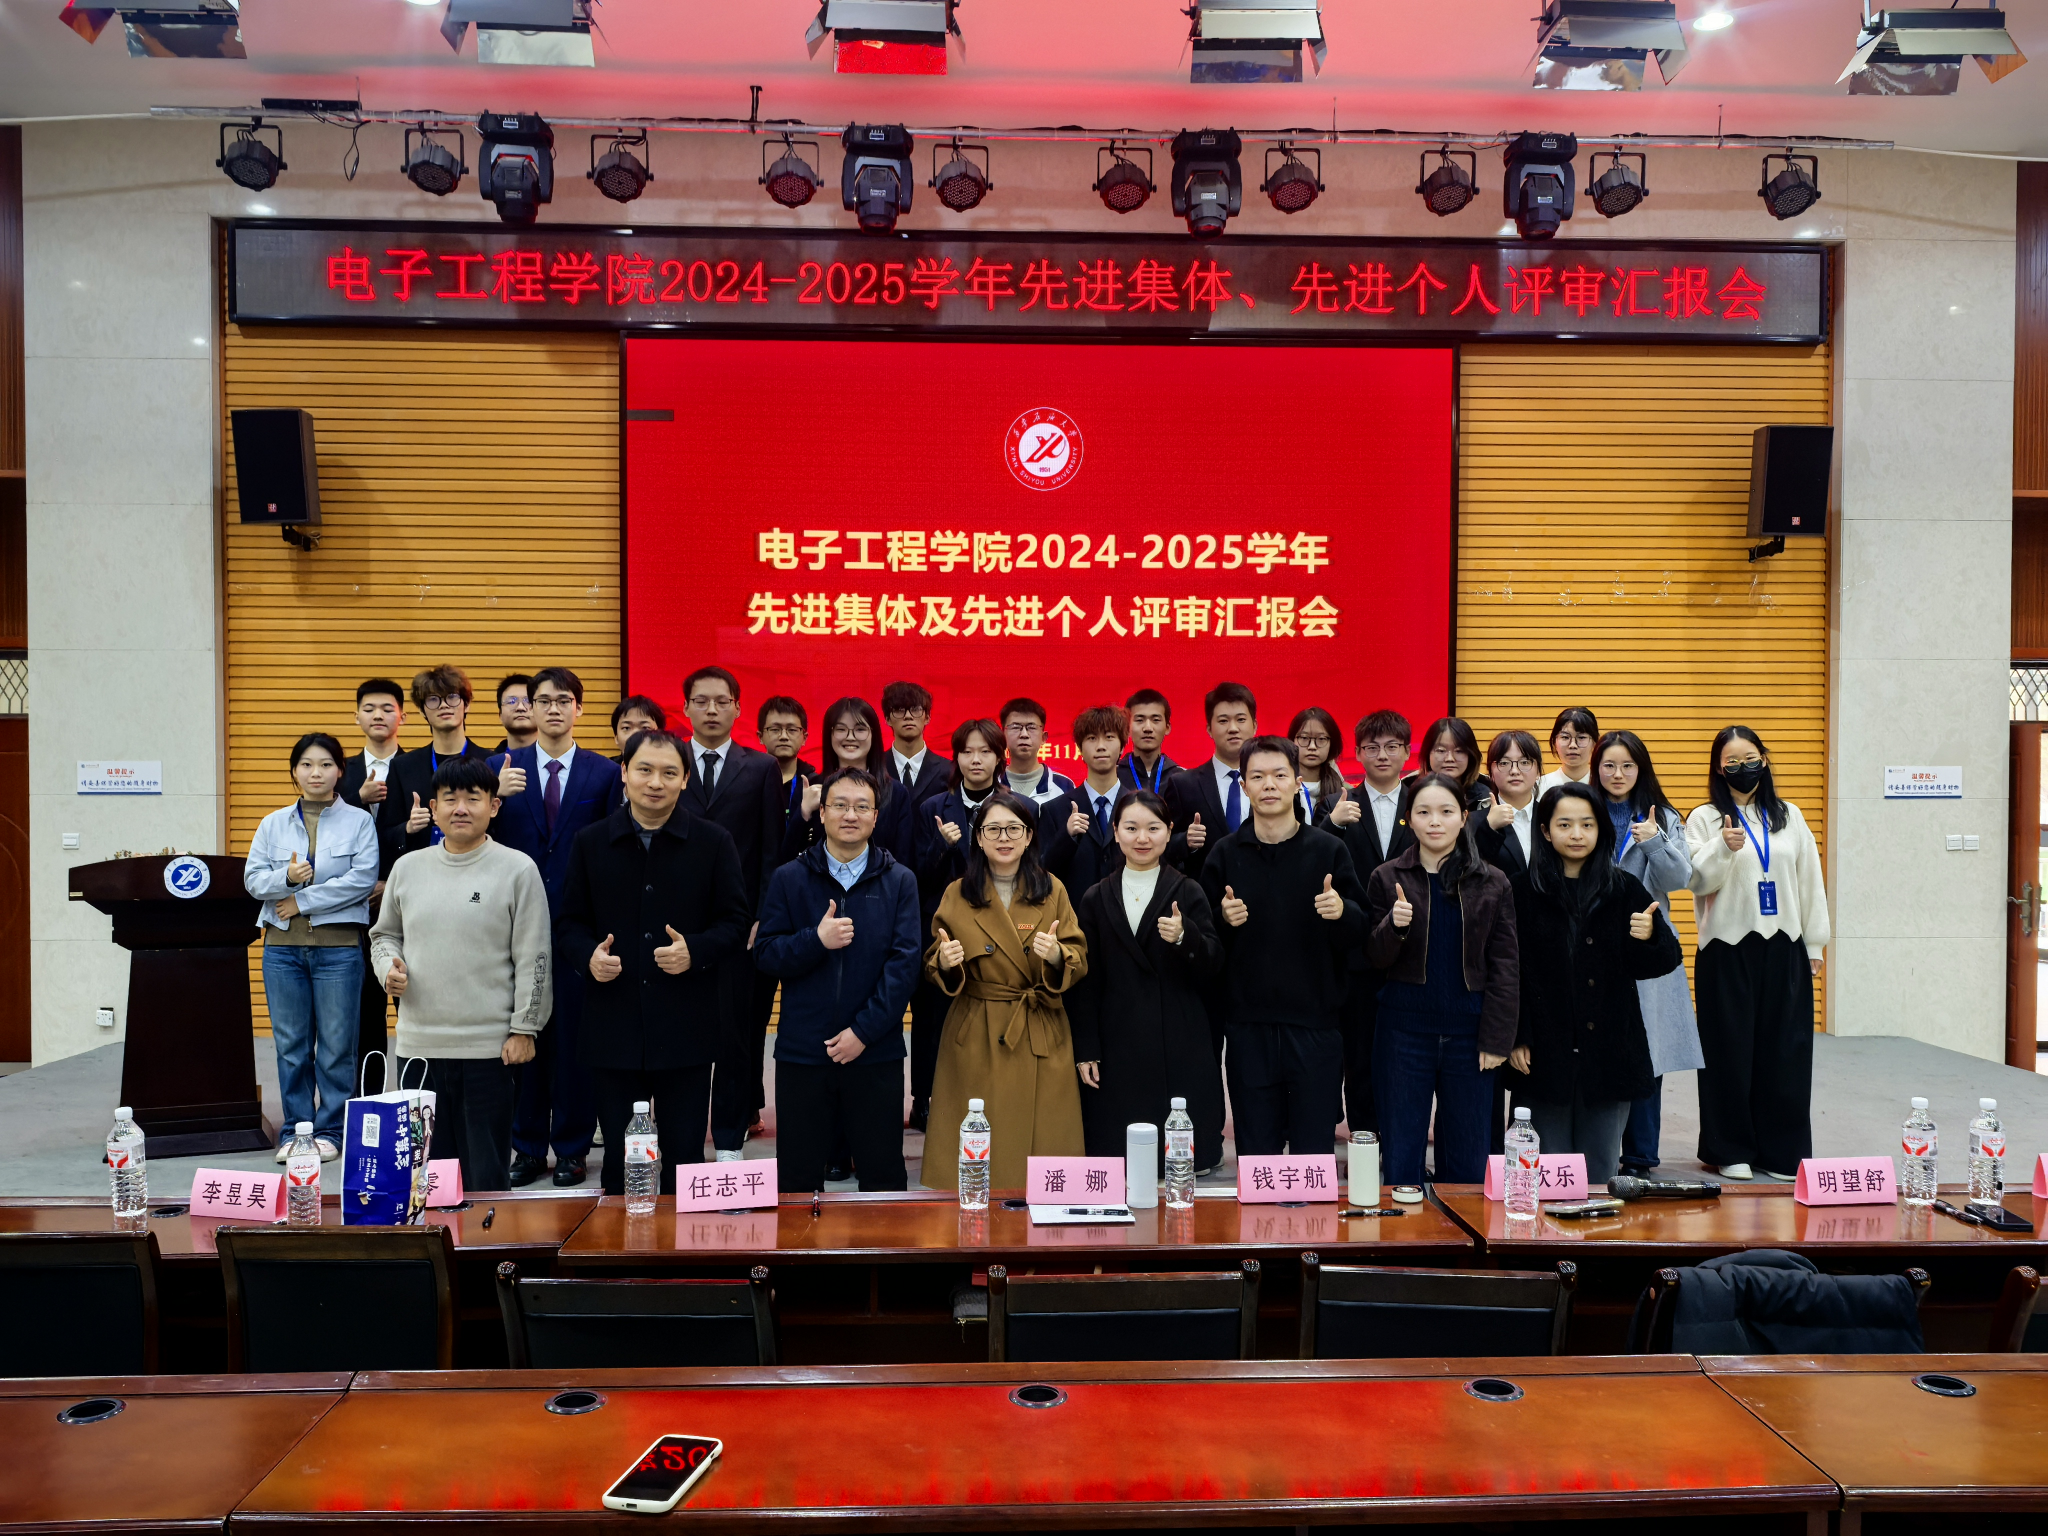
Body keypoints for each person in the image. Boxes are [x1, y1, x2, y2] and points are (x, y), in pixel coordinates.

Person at [559, 730, 751, 1190]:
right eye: (644, 770)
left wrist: (695, 951)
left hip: (686, 1025)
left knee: (685, 1155)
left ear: (685, 779)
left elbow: (736, 921)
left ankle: (682, 1238)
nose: (655, 782)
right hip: (614, 1023)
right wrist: (588, 957)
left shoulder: (712, 841)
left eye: (669, 773)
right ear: (624, 773)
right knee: (622, 1163)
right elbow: (568, 923)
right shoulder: (591, 842)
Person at [369, 757, 552, 1194]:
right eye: (450, 799)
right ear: (433, 809)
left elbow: (535, 956)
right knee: (423, 1177)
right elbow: (384, 936)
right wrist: (387, 968)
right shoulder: (408, 868)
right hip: (418, 1048)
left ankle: (489, 1242)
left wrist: (525, 1028)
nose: (461, 808)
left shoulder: (517, 869)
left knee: (485, 1176)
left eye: (474, 798)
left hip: (489, 1050)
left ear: (494, 806)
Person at [753, 767, 921, 1193]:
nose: (851, 815)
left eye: (862, 807)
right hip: (804, 1052)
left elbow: (904, 966)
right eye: (841, 805)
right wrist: (816, 940)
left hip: (875, 1052)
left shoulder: (900, 880)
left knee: (883, 1177)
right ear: (822, 812)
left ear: (876, 817)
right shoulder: (789, 877)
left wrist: (862, 1032)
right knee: (797, 1180)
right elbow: (766, 953)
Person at [1199, 735, 1366, 1156]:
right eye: (1257, 777)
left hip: (1316, 1027)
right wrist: (1222, 919)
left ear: (1297, 783)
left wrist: (1341, 911)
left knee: (1314, 1154)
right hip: (1247, 1029)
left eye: (1279, 775)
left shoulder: (1329, 850)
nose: (1269, 785)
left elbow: (1362, 931)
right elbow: (1204, 945)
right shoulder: (1224, 854)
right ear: (1244, 786)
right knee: (1256, 1154)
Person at [1511, 784, 1684, 1184]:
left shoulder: (1624, 888)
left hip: (1609, 1054)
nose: (1577, 834)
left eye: (1587, 824)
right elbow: (1508, 971)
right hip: (1542, 1054)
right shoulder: (1521, 890)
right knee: (1541, 1172)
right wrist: (1517, 1035)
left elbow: (1663, 961)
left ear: (1601, 830)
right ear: (1545, 831)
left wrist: (1650, 937)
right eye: (1565, 824)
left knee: (1599, 1174)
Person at [490, 666, 622, 1189]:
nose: (551, 708)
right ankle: (525, 1147)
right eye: (541, 700)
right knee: (522, 1038)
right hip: (511, 926)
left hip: (577, 927)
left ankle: (571, 1148)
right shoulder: (500, 768)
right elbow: (471, 834)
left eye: (563, 700)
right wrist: (494, 795)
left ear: (579, 709)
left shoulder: (604, 773)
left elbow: (612, 847)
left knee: (572, 1044)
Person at [1685, 726, 1829, 1182]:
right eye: (1731, 761)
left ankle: (1782, 1150)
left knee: (1786, 1051)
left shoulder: (1789, 815)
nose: (1742, 768)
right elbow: (1696, 880)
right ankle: (1729, 1148)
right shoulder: (1705, 818)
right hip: (1726, 950)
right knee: (1728, 1051)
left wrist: (1814, 942)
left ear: (1764, 760)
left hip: (1784, 945)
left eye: (1749, 758)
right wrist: (1722, 849)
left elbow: (1809, 880)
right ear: (1718, 769)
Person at [925, 789, 1088, 1190]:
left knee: (1045, 1153)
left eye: (1014, 829)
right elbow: (934, 958)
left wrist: (1057, 956)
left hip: (1038, 1026)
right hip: (976, 1031)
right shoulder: (957, 892)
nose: (1004, 838)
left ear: (1029, 836)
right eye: (992, 829)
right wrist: (944, 963)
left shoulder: (1052, 889)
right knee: (978, 1155)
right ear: (978, 837)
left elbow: (1079, 956)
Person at [1364, 773, 1519, 1185]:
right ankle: (1407, 1226)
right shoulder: (1386, 877)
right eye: (1424, 812)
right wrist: (1394, 927)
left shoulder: (1492, 881)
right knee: (1401, 1158)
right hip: (1402, 1034)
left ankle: (1460, 1227)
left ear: (1464, 817)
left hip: (1471, 1038)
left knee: (1468, 1161)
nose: (1435, 821)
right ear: (1409, 819)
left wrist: (1497, 1039)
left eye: (1446, 811)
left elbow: (1505, 966)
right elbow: (1375, 959)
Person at [1070, 789, 1225, 1167]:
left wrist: (1185, 936)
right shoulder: (1095, 897)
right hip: (1117, 1037)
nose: (1142, 838)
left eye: (1153, 828)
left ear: (1169, 831)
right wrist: (1086, 1048)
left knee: (1178, 1163)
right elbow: (1086, 981)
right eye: (1131, 828)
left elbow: (1214, 963)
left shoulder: (1187, 890)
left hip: (1178, 1036)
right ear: (1115, 832)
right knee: (1119, 1160)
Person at [245, 732, 379, 1161]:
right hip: (282, 950)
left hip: (339, 949)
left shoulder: (359, 821)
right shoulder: (272, 823)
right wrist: (286, 878)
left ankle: (332, 1131)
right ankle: (296, 1131)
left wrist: (301, 900)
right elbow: (253, 881)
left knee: (337, 1047)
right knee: (291, 1047)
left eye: (325, 764)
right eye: (306, 764)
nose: (315, 773)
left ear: (340, 771)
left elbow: (361, 881)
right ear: (294, 772)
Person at [676, 665, 786, 1162]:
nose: (712, 710)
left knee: (737, 1035)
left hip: (740, 925)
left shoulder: (760, 768)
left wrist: (763, 914)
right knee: (682, 1033)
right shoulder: (669, 761)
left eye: (722, 701)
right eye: (701, 701)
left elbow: (771, 849)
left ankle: (728, 1138)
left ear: (738, 709)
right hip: (677, 923)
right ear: (686, 708)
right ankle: (682, 1137)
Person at [1595, 730, 1702, 1176]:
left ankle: (1640, 1154)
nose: (1618, 774)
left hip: (1645, 942)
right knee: (1600, 1043)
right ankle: (1598, 1151)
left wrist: (1654, 840)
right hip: (1595, 945)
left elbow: (1680, 879)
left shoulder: (1664, 815)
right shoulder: (1583, 809)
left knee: (1647, 1049)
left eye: (1627, 766)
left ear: (1641, 769)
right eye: (1609, 765)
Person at [911, 717, 1005, 1132]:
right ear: (956, 757)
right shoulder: (932, 807)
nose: (975, 760)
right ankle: (924, 1100)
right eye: (967, 751)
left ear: (999, 757)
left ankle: (987, 1097)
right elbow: (917, 876)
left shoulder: (1015, 806)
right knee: (933, 1017)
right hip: (944, 929)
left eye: (985, 751)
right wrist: (941, 845)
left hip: (997, 929)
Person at [1325, 709, 1416, 1137]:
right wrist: (1332, 825)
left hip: (1412, 947)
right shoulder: (1338, 804)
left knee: (1406, 1055)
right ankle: (1365, 1142)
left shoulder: (1423, 802)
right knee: (1359, 1053)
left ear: (1407, 751)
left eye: (1392, 746)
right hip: (1356, 950)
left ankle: (1402, 1141)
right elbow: (1317, 859)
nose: (1382, 755)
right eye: (1372, 747)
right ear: (1358, 753)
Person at [338, 677, 405, 1087]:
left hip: (405, 904)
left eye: (387, 708)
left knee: (411, 1008)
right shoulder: (339, 772)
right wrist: (356, 800)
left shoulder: (417, 767)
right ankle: (371, 1101)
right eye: (369, 709)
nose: (378, 715)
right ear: (357, 716)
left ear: (403, 716)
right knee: (365, 1013)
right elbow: (321, 830)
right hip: (353, 908)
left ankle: (419, 1102)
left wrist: (389, 884)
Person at [382, 664, 489, 868]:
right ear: (422, 710)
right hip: (421, 871)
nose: (444, 705)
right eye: (433, 699)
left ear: (466, 704)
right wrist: (407, 828)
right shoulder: (402, 766)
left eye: (452, 697)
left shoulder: (490, 762)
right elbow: (385, 832)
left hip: (480, 867)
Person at [786, 697, 912, 867]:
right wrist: (804, 813)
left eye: (860, 729)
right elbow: (787, 857)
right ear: (829, 734)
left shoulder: (896, 793)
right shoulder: (809, 787)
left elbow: (903, 861)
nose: (850, 737)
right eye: (841, 729)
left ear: (873, 734)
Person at [1165, 681, 1258, 877]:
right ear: (1209, 729)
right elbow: (1162, 845)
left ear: (1254, 726)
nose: (1233, 728)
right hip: (1205, 892)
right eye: (1223, 721)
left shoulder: (1271, 784)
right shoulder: (1183, 785)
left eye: (1241, 719)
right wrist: (1185, 842)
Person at [1040, 704, 1129, 902]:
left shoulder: (1138, 807)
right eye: (1092, 738)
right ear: (1079, 748)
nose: (1101, 746)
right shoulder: (1055, 810)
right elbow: (1043, 872)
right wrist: (1067, 836)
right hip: (1073, 916)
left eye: (1109, 737)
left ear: (1123, 746)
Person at [1476, 731, 1543, 879]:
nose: (1514, 771)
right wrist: (1489, 828)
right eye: (1504, 763)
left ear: (1538, 771)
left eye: (1524, 762)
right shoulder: (1475, 822)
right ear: (1490, 772)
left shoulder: (1550, 816)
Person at [883, 680, 952, 810]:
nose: (908, 716)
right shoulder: (874, 768)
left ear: (927, 717)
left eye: (915, 709)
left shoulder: (949, 770)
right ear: (887, 719)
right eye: (899, 710)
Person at [996, 697, 1075, 808]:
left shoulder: (1064, 786)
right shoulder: (991, 784)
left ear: (1043, 737)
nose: (1024, 734)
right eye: (1015, 727)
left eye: (1031, 727)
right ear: (1002, 735)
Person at [1416, 717, 1491, 811]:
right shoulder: (1409, 793)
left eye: (1459, 751)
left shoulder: (1487, 798)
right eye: (1441, 750)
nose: (1449, 759)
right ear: (1427, 754)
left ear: (1471, 755)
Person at [1289, 707, 1348, 825]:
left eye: (1321, 739)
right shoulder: (1280, 788)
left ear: (1332, 743)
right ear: (1292, 741)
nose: (1312, 746)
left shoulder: (1345, 792)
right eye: (1304, 738)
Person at [1120, 688, 1180, 796]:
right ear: (1127, 727)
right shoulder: (1114, 776)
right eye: (1139, 720)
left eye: (1156, 720)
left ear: (1167, 728)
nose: (1148, 728)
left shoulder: (1181, 778)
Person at [1537, 706, 1600, 795]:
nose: (1572, 745)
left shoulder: (1604, 786)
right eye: (1565, 737)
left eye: (1581, 737)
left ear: (1595, 742)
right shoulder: (1539, 787)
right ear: (1554, 741)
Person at [610, 695, 666, 759]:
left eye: (645, 728)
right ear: (616, 738)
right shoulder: (606, 765)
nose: (635, 734)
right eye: (627, 728)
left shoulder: (671, 764)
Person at [492, 674, 536, 754]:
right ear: (500, 715)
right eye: (511, 702)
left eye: (528, 701)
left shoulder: (556, 759)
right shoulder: (488, 761)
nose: (520, 708)